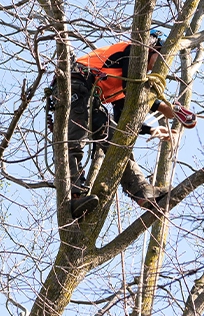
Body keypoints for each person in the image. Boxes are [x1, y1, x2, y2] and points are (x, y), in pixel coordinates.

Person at [62, 31, 179, 219]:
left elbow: (125, 115)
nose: (157, 67)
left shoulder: (122, 78)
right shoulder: (134, 52)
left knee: (117, 142)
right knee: (75, 140)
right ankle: (74, 196)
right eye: (160, 59)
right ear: (152, 48)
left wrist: (150, 128)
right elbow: (133, 90)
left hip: (90, 97)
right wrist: (159, 106)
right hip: (76, 84)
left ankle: (142, 192)